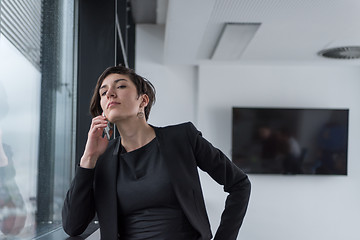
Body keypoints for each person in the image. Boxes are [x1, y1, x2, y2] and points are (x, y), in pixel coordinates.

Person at [62, 65, 251, 240]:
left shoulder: (182, 137)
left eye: (120, 87)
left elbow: (239, 184)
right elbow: (73, 226)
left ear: (143, 100)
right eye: (103, 92)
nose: (110, 94)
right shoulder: (102, 158)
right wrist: (88, 158)